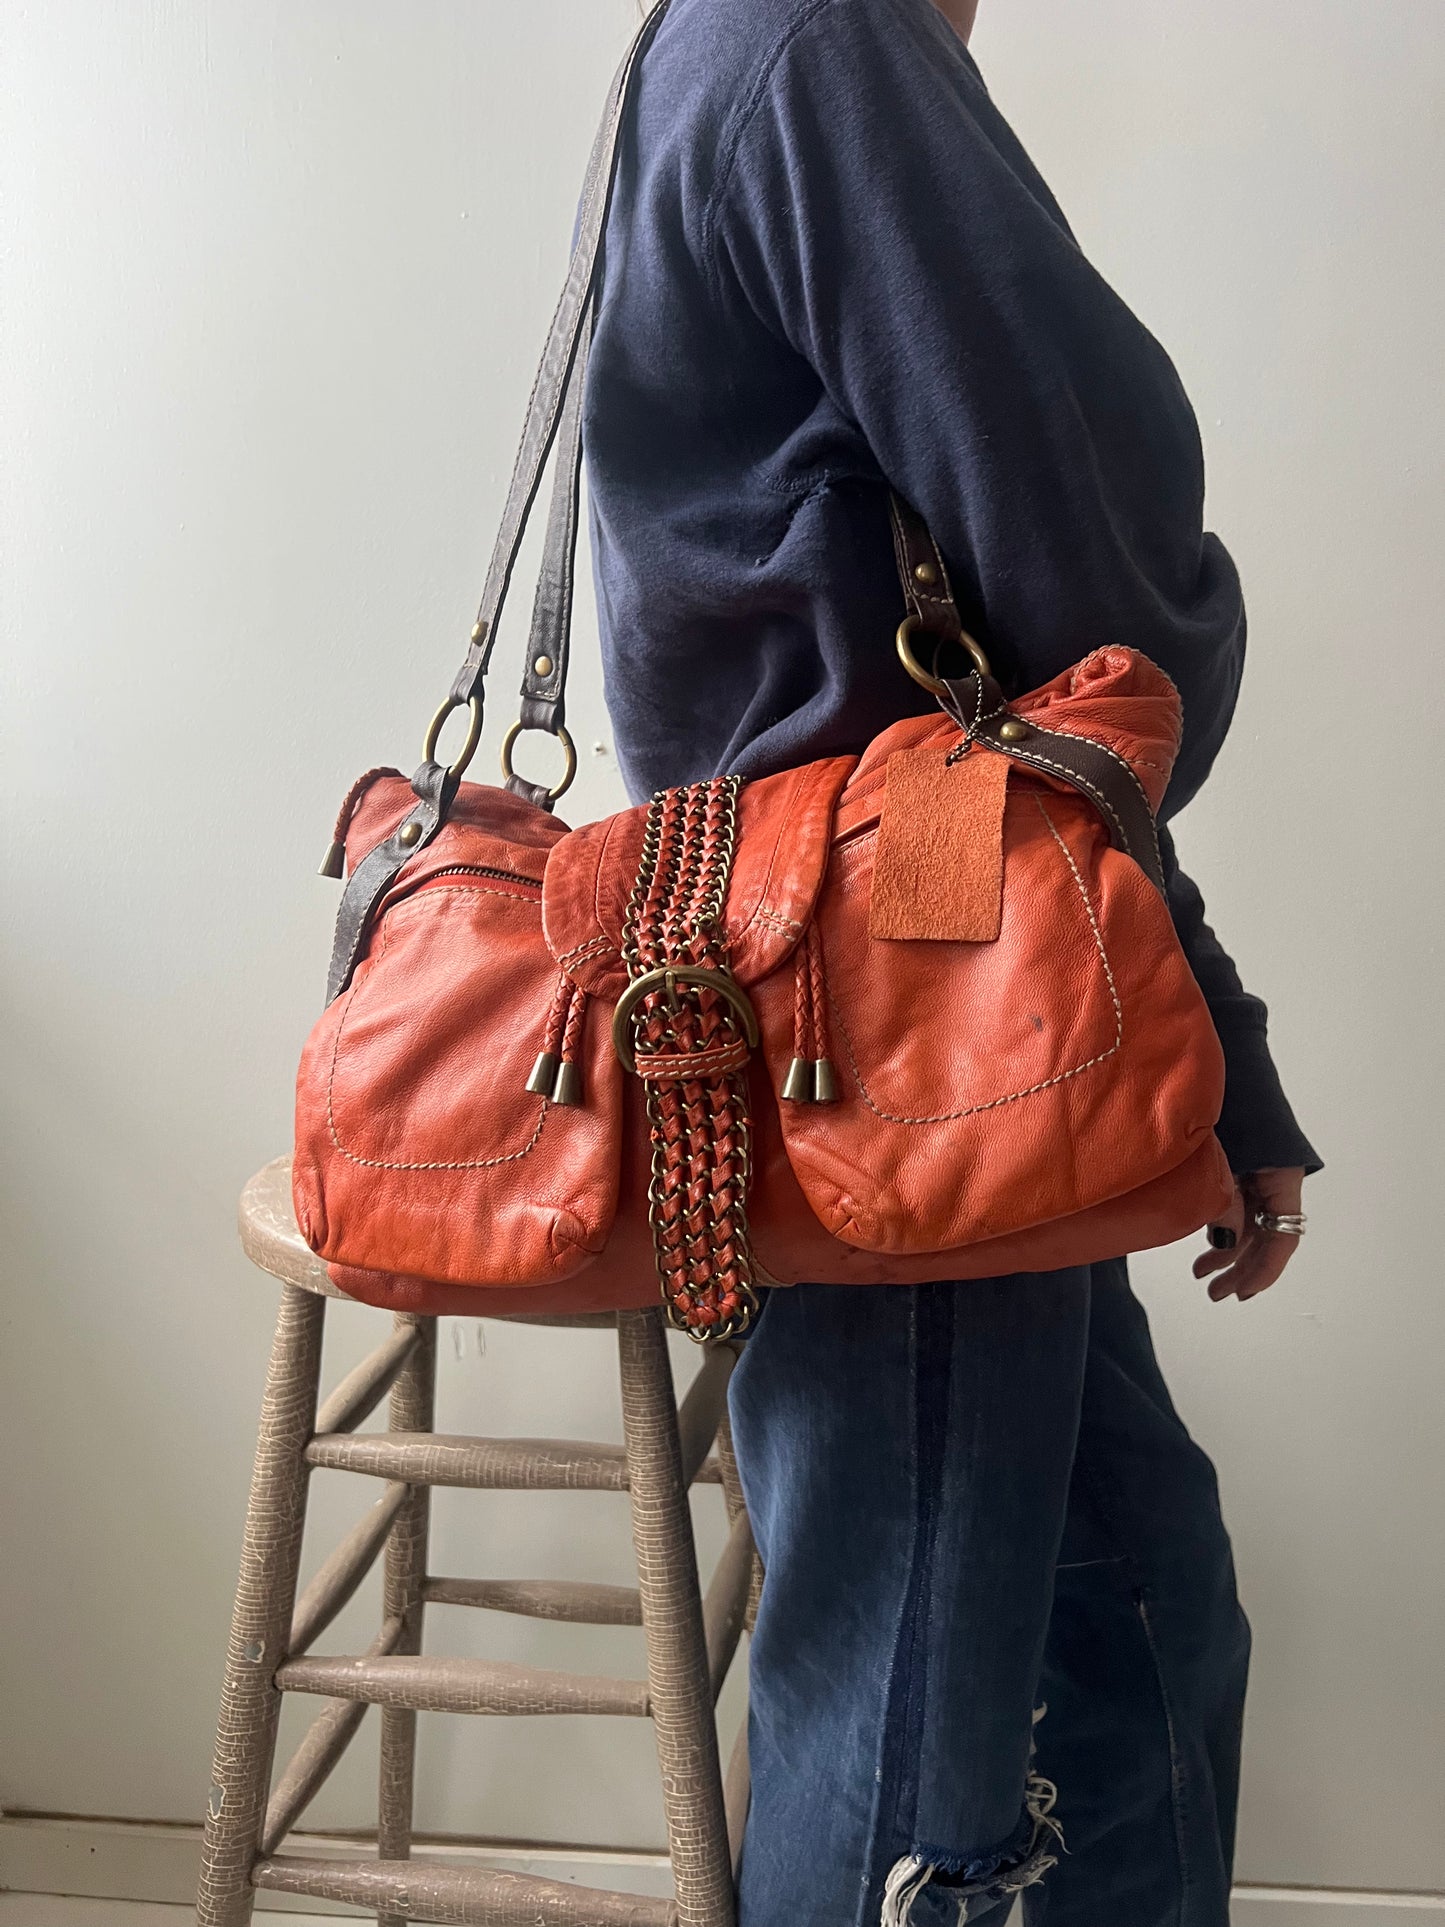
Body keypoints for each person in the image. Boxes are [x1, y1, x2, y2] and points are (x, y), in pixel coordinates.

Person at [582, 1, 1320, 1921]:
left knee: (1132, 1606)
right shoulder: (821, 44)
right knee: (912, 1712)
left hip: (919, 959)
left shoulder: (723, 45)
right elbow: (1094, 634)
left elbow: (1007, 707)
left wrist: (1210, 1048)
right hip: (899, 1001)